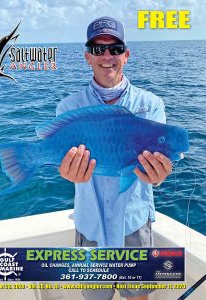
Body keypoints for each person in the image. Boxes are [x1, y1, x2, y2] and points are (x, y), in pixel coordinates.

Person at [56, 16, 172, 300]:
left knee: (138, 296)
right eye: (98, 49)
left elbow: (159, 164)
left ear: (126, 55)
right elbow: (62, 163)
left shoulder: (151, 104)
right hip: (90, 223)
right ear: (87, 57)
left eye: (115, 48)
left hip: (134, 222)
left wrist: (159, 174)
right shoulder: (68, 107)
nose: (107, 56)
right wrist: (66, 172)